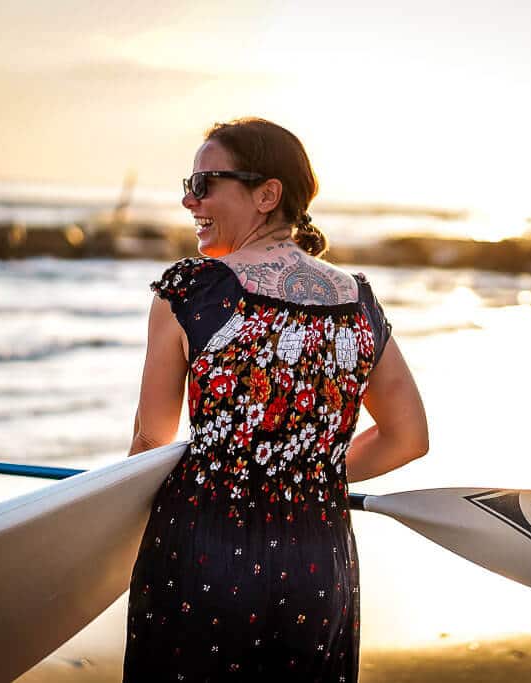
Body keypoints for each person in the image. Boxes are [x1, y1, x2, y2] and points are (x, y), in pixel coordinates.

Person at [123, 118, 429, 682]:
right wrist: (304, 478)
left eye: (205, 183)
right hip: (318, 562)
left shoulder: (192, 289)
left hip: (202, 553)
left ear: (267, 194)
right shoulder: (357, 299)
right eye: (188, 184)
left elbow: (150, 441)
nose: (189, 200)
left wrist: (110, 530)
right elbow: (408, 438)